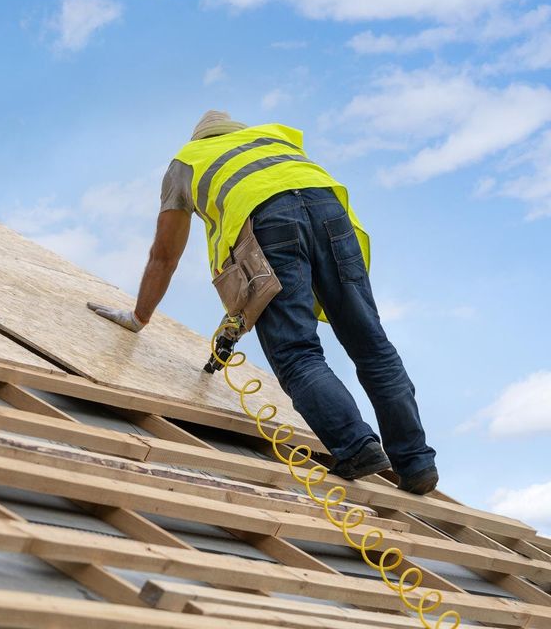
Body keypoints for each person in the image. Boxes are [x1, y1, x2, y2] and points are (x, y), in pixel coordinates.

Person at [87, 111, 438, 494]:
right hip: (332, 217)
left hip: (271, 223)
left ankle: (356, 447)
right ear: (237, 131)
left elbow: (164, 255)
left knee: (296, 352)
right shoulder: (275, 139)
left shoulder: (185, 163)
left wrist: (139, 316)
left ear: (197, 139)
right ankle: (416, 463)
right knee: (372, 346)